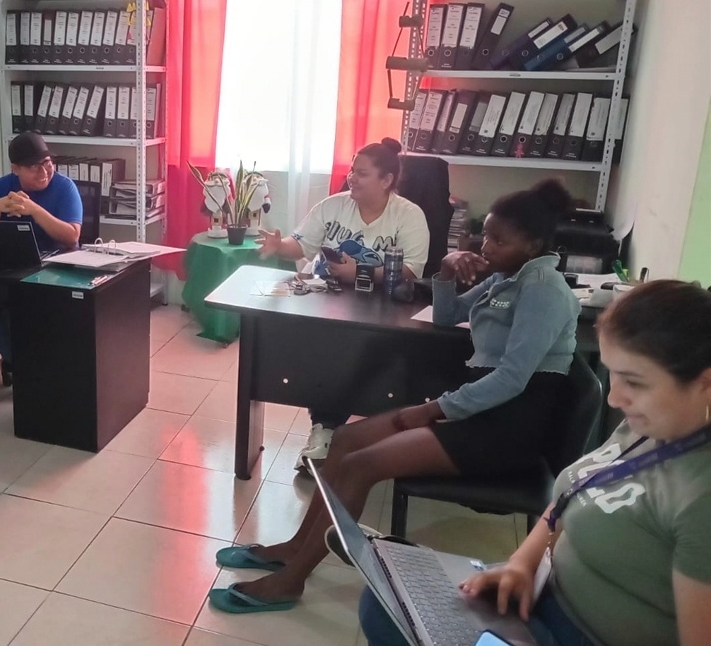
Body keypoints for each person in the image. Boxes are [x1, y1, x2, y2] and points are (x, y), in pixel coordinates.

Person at [209, 179, 579, 613]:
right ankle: (293, 548)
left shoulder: (542, 290)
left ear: (533, 244)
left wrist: (433, 409)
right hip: (478, 407)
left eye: (500, 240)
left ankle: (291, 581)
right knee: (344, 441)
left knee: (362, 465)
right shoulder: (508, 278)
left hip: (506, 427)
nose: (486, 247)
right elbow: (448, 316)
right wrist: (446, 271)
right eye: (486, 236)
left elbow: (512, 379)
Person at [362, 279, 711, 646]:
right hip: (543, 597)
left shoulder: (700, 498)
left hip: (585, 642)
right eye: (613, 374)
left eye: (634, 382)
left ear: (705, 384)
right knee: (386, 601)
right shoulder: (648, 427)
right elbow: (573, 496)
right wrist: (521, 564)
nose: (614, 398)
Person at [256, 138, 430, 470]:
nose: (352, 178)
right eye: (352, 171)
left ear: (386, 180)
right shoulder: (332, 206)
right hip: (325, 298)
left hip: (378, 306)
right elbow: (301, 246)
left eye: (362, 173)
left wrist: (360, 272)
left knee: (345, 353)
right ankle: (324, 429)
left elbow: (410, 270)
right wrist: (280, 246)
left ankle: (330, 429)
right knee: (322, 348)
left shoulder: (409, 215)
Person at [0, 131, 82, 386]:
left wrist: (35, 210)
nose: (43, 172)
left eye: (47, 163)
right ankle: (20, 360)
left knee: (31, 302)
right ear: (15, 169)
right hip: (11, 269)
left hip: (57, 269)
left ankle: (26, 362)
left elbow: (72, 237)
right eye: (33, 167)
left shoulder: (64, 187)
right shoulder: (0, 188)